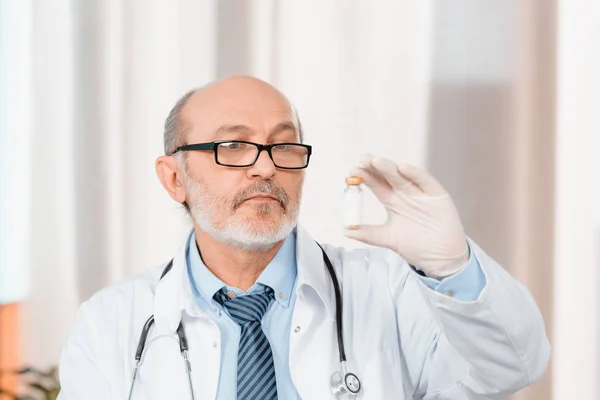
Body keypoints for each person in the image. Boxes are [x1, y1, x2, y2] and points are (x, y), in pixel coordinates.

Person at [57, 76, 549, 399]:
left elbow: (512, 366)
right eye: (233, 145)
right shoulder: (111, 323)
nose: (266, 166)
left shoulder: (388, 289)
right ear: (173, 178)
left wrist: (453, 267)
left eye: (283, 144)